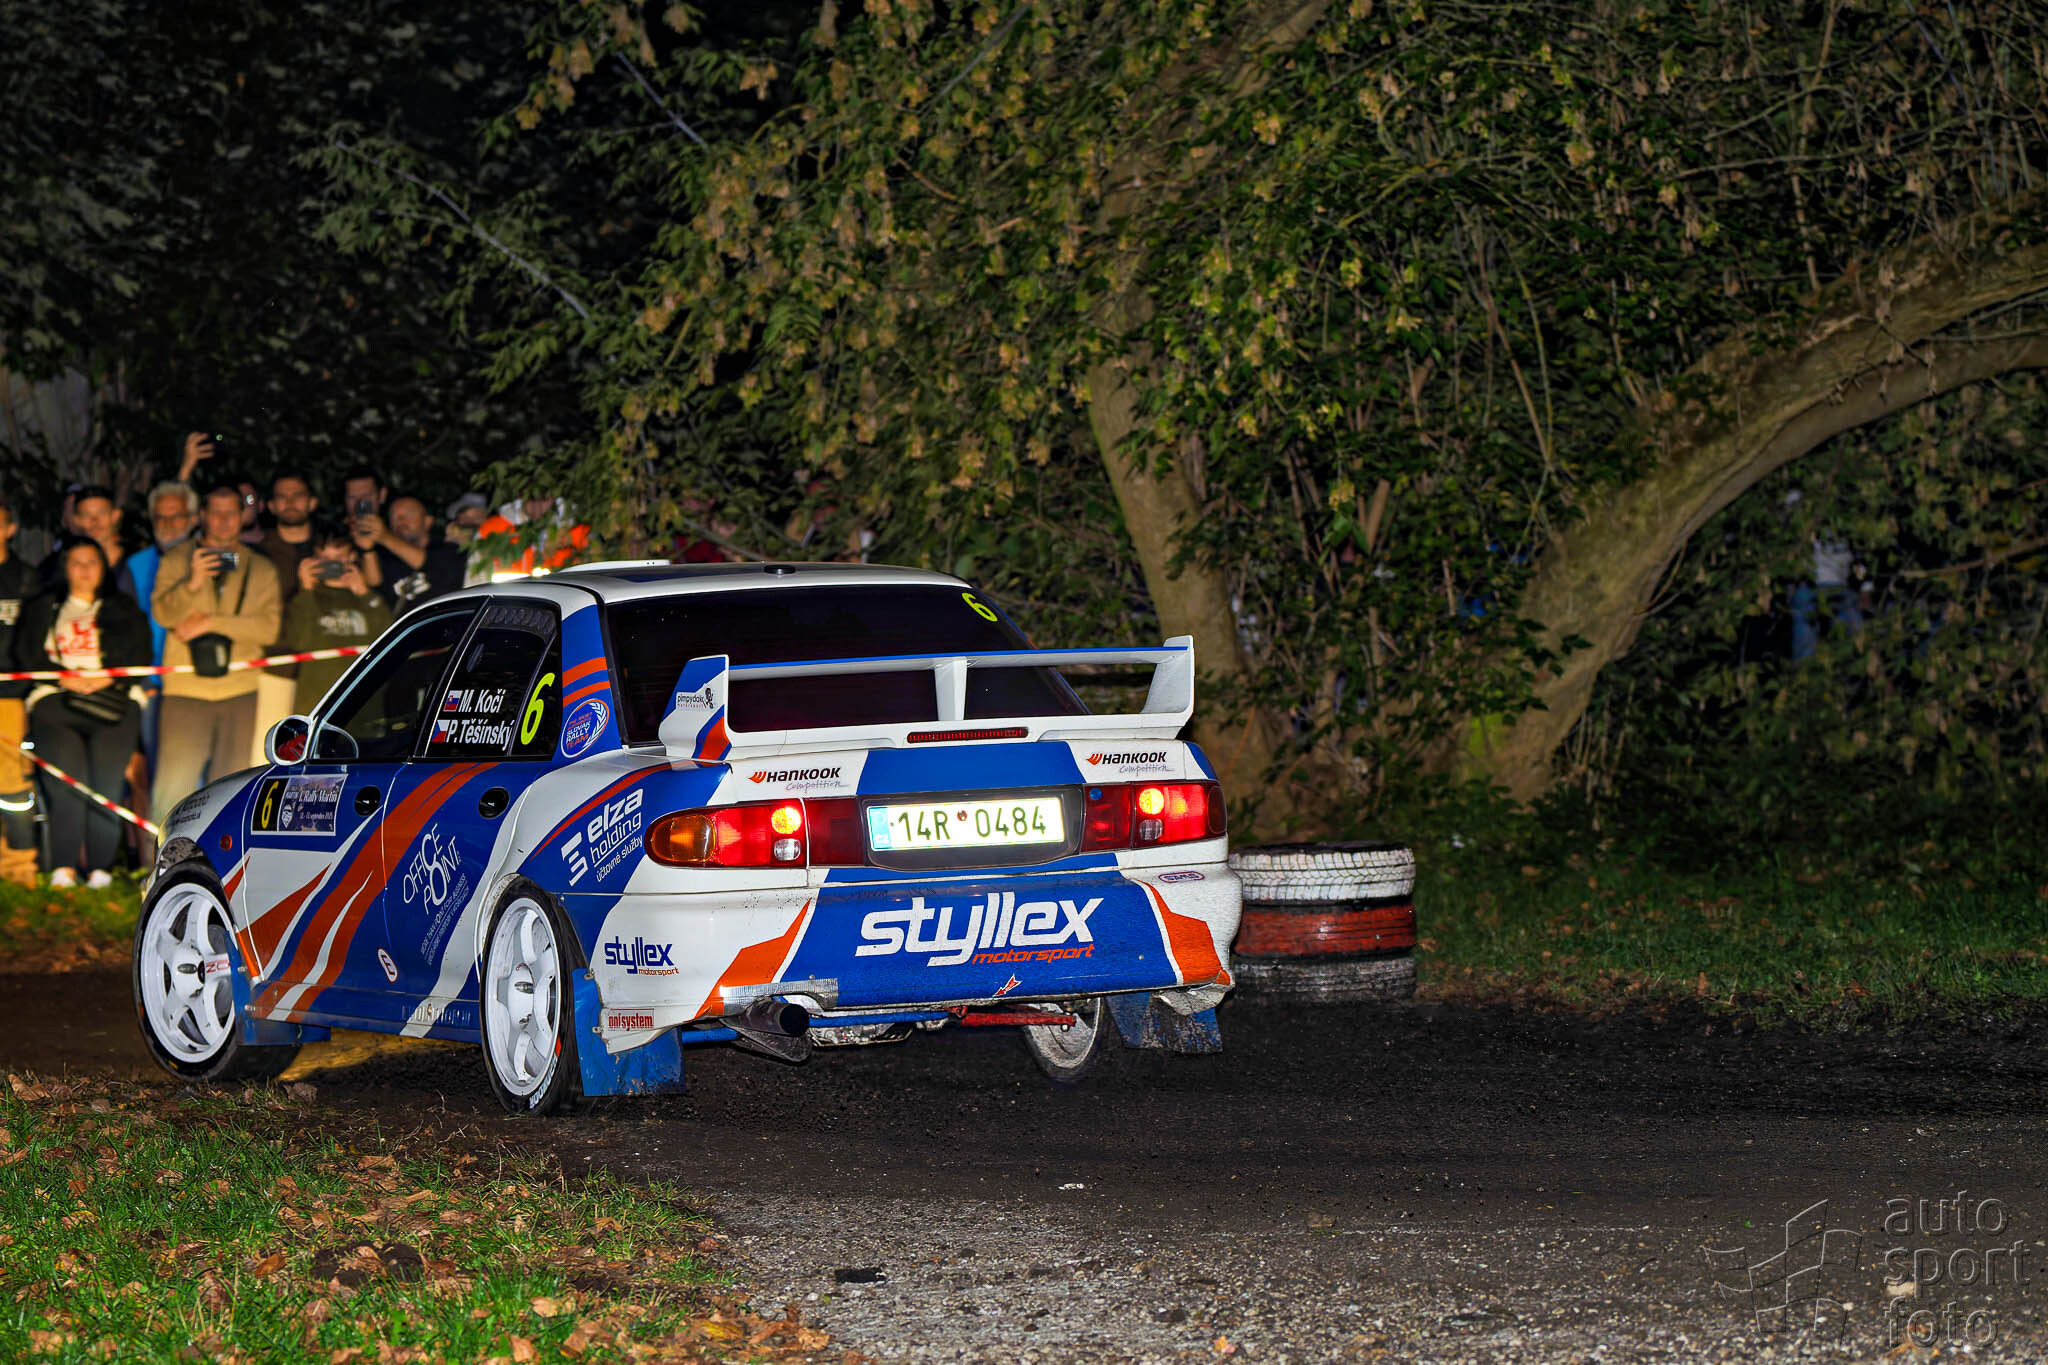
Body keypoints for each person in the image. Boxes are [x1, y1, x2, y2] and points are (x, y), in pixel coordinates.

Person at [16, 539, 151, 887]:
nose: (85, 569)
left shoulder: (123, 608)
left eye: (92, 561)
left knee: (105, 785)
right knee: (65, 783)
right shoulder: (43, 606)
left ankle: (100, 872)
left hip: (114, 703)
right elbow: (25, 653)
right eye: (76, 562)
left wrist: (109, 677)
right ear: (64, 567)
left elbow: (141, 654)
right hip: (56, 702)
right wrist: (61, 676)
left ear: (103, 567)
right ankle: (63, 869)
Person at [150, 484, 283, 817]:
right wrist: (192, 582)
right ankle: (161, 850)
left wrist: (212, 622)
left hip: (240, 689)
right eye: (216, 513)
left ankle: (220, 852)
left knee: (230, 788)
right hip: (185, 690)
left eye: (231, 513)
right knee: (172, 787)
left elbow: (269, 629)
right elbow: (162, 614)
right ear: (202, 516)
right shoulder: (177, 560)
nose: (224, 521)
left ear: (242, 516)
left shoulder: (261, 568)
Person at [282, 526, 393, 714]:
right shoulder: (306, 598)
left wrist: (364, 593)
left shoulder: (368, 597)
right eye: (324, 558)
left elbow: (389, 643)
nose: (331, 564)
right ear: (314, 559)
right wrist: (306, 588)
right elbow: (300, 642)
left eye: (339, 557)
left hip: (363, 703)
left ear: (352, 557)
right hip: (317, 704)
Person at [253, 473, 320, 751]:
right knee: (268, 751)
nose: (290, 502)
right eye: (282, 496)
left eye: (298, 495)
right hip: (274, 667)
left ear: (312, 502)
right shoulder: (257, 554)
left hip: (323, 669)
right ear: (271, 506)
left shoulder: (331, 549)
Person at [0, 496, 40, 887]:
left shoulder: (27, 579)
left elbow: (33, 641)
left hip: (9, 695)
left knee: (12, 783)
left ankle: (18, 866)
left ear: (10, 529)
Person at [366, 495, 465, 611]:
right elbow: (373, 588)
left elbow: (429, 563)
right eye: (394, 516)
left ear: (428, 521)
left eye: (409, 515)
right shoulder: (385, 556)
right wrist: (366, 549)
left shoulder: (449, 551)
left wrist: (384, 536)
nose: (400, 521)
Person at [38, 485, 135, 600]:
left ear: (116, 515)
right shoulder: (59, 564)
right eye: (86, 515)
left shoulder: (139, 561)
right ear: (77, 520)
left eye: (102, 513)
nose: (95, 521)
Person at [475, 496, 590, 581]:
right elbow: (476, 578)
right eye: (533, 498)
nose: (538, 506)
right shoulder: (494, 528)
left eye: (545, 497)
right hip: (503, 602)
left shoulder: (574, 528)